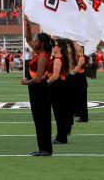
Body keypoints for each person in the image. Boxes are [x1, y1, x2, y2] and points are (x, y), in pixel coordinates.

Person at [21, 16, 53, 156]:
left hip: (39, 90)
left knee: (42, 119)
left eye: (37, 39)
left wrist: (26, 82)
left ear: (42, 43)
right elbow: (27, 39)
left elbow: (39, 79)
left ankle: (46, 149)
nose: (34, 40)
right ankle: (43, 148)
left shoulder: (42, 57)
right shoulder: (39, 52)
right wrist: (27, 24)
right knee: (39, 119)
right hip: (36, 90)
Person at [46, 38, 70, 144]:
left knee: (59, 113)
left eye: (54, 45)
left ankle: (62, 137)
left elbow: (55, 76)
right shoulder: (57, 57)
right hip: (59, 85)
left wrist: (44, 84)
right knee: (60, 112)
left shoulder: (57, 59)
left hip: (57, 86)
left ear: (59, 47)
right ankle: (61, 135)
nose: (52, 46)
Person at [72, 43, 88, 123]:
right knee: (76, 97)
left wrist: (68, 73)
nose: (76, 46)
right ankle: (77, 112)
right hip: (77, 78)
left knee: (82, 99)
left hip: (80, 79)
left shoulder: (82, 58)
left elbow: (76, 69)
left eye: (78, 45)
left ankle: (84, 117)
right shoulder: (76, 56)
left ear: (82, 48)